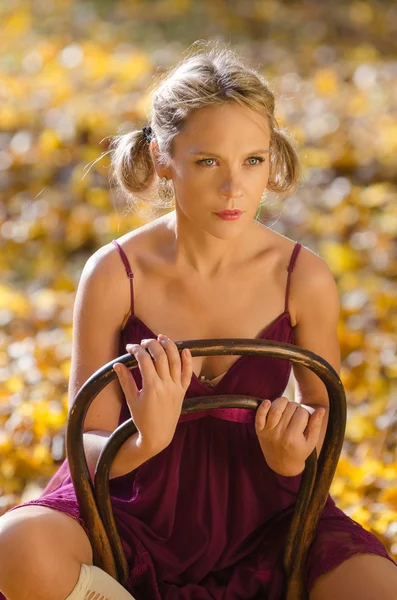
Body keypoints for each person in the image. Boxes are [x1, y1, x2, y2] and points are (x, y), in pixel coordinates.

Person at [0, 41, 396, 600]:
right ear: (164, 158)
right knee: (17, 546)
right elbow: (81, 442)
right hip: (127, 510)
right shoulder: (116, 273)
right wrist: (140, 440)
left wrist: (293, 455)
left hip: (267, 517)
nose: (235, 188)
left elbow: (323, 410)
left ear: (271, 158)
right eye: (208, 161)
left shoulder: (301, 277)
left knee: (378, 586)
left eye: (253, 161)